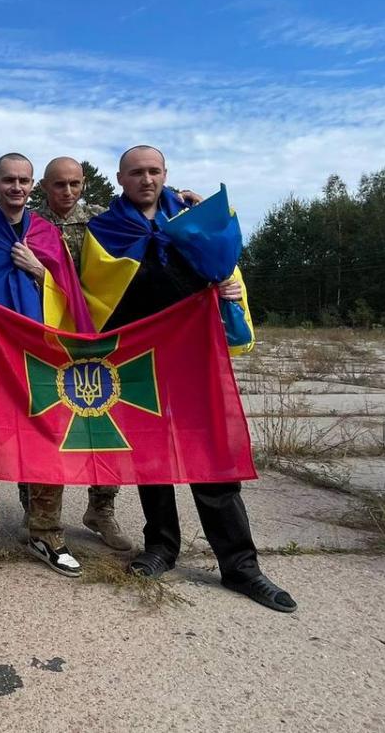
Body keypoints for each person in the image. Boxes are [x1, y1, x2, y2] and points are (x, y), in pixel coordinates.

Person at [90, 144, 295, 613]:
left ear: (166, 174)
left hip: (194, 357)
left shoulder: (194, 214)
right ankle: (160, 548)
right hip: (140, 359)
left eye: (154, 171)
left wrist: (230, 288)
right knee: (152, 462)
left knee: (212, 462)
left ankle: (241, 566)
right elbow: (96, 295)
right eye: (137, 172)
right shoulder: (103, 231)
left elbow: (221, 268)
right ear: (120, 178)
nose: (147, 179)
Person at [0, 156, 132, 552]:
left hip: (82, 338)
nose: (67, 192)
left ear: (84, 184)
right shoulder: (1, 225)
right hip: (8, 346)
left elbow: (147, 208)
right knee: (9, 429)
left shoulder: (101, 222)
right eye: (59, 185)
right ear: (46, 187)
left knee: (88, 429)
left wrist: (182, 201)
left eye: (74, 184)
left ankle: (99, 511)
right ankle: (16, 522)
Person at [0, 153, 91, 578]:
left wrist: (40, 272)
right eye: (8, 180)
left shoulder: (49, 235)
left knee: (48, 438)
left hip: (41, 356)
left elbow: (72, 295)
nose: (17, 187)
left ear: (33, 186)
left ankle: (46, 532)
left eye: (24, 181)